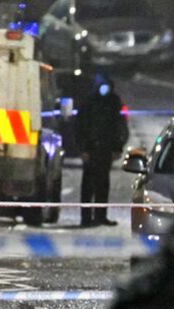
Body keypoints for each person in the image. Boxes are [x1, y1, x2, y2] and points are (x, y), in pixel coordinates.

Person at [76, 74, 128, 227]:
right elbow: (80, 126)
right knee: (88, 185)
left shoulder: (114, 102)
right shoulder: (89, 103)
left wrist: (117, 147)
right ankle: (86, 218)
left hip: (106, 149)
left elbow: (120, 126)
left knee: (103, 184)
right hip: (91, 149)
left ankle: (100, 216)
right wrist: (83, 148)